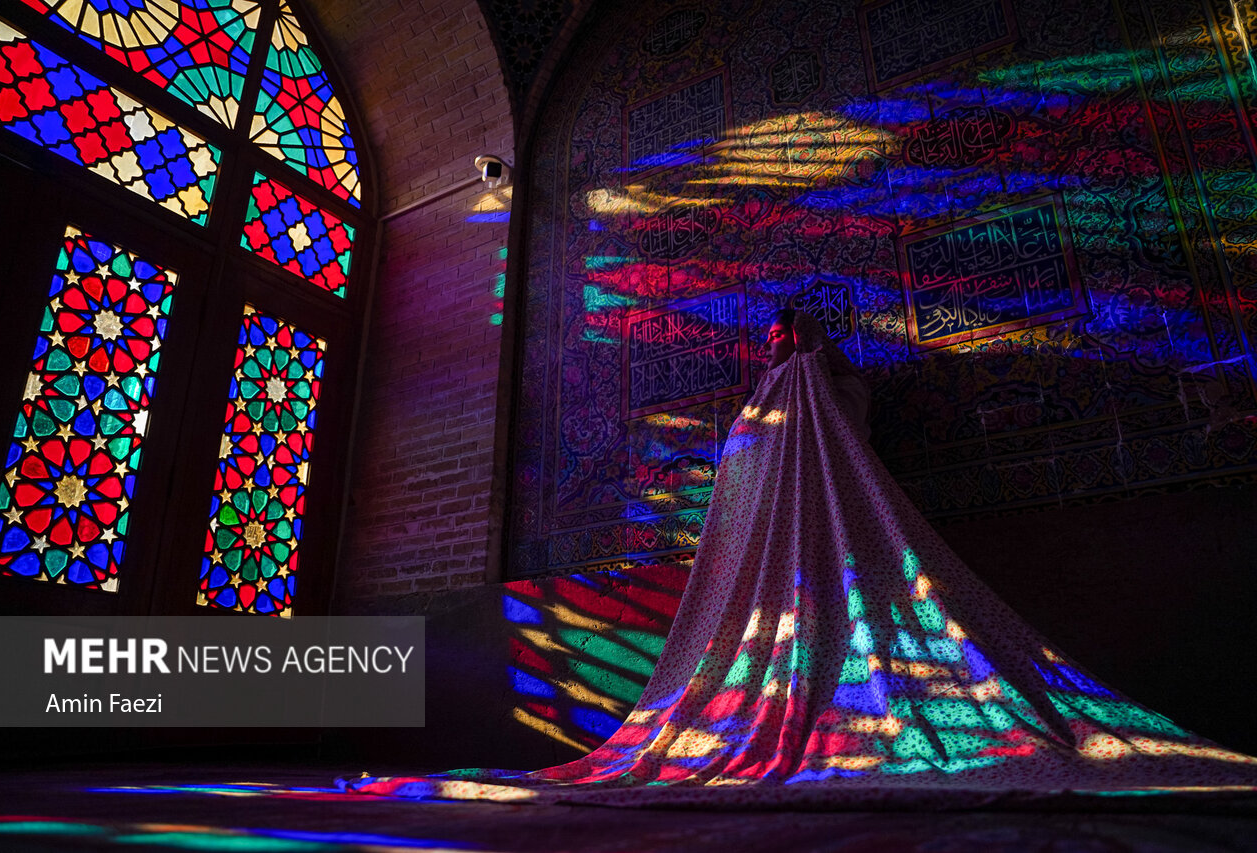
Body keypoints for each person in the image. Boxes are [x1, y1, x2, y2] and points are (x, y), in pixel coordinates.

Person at [340, 309, 1257, 807]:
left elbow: (829, 429)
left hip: (828, 567)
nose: (783, 353)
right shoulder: (765, 415)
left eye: (790, 342)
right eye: (778, 345)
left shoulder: (821, 394)